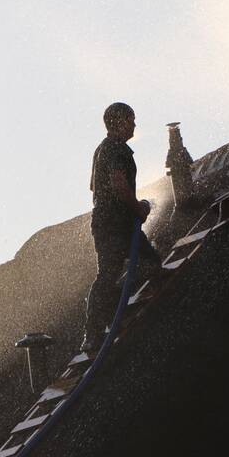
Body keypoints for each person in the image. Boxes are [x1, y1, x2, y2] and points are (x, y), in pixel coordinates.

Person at [82, 102, 162, 351]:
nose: (134, 124)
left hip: (118, 223)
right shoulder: (115, 149)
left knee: (148, 264)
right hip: (114, 224)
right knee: (109, 274)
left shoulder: (102, 150)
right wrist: (137, 207)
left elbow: (94, 187)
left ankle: (109, 314)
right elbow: (117, 184)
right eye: (131, 119)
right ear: (118, 122)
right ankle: (94, 333)